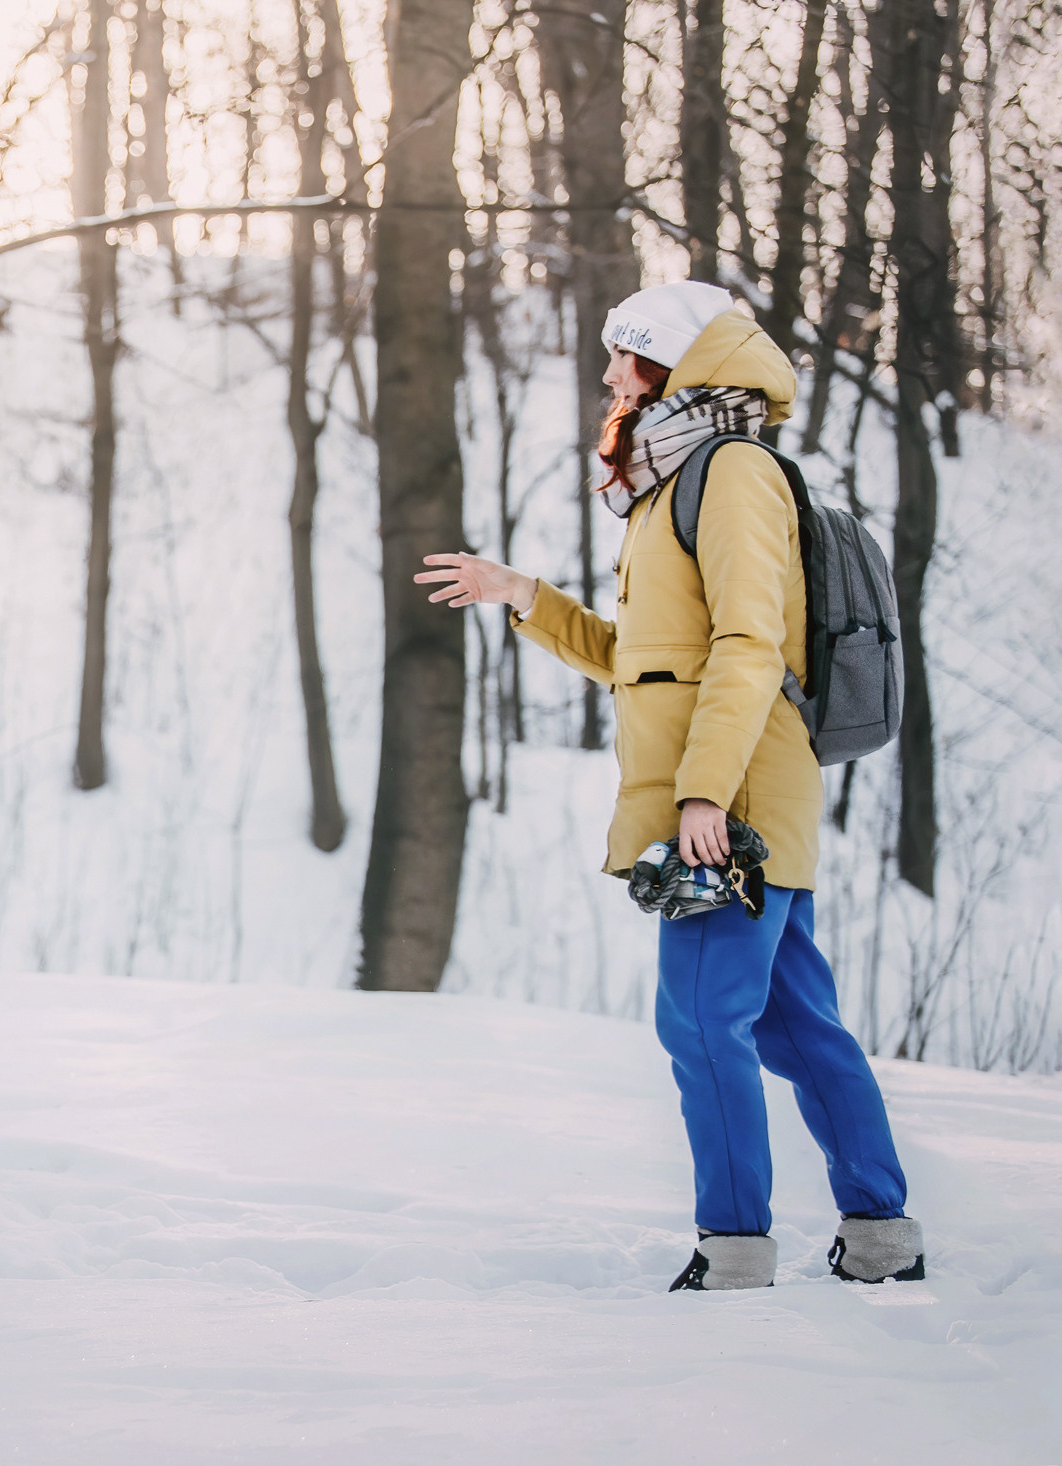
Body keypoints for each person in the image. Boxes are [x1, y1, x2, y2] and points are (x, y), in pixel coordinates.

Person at [416, 282, 926, 1292]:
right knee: (789, 1021)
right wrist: (521, 595)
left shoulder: (730, 471)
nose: (609, 375)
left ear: (679, 366)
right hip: (733, 786)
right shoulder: (673, 482)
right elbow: (643, 660)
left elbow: (746, 645)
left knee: (698, 1018)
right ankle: (880, 1233)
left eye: (626, 355)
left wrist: (702, 798)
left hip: (729, 796)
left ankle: (733, 1247)